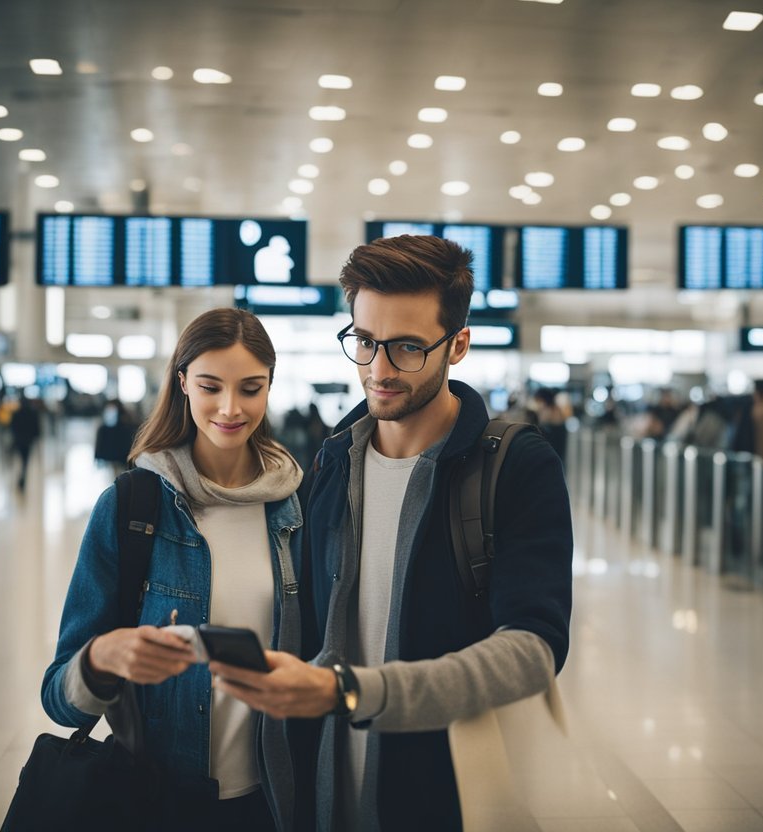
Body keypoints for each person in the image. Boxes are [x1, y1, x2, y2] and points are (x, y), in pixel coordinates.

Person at [210, 235, 574, 830]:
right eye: (365, 342)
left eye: (407, 347)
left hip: (443, 796)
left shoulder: (515, 466)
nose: (378, 370)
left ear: (457, 345)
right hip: (325, 793)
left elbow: (534, 650)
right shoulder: (331, 463)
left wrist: (356, 693)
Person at [40, 308, 305, 829]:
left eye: (250, 388)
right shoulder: (132, 507)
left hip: (274, 798)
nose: (230, 408)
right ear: (182, 382)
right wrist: (101, 657)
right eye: (211, 386)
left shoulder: (299, 508)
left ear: (270, 386)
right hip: (157, 797)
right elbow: (59, 698)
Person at [9, 394, 42, 492]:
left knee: (19, 459)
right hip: (28, 441)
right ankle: (22, 476)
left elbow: (12, 427)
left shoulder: (16, 413)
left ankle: (20, 476)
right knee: (25, 460)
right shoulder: (33, 413)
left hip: (19, 440)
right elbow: (36, 429)